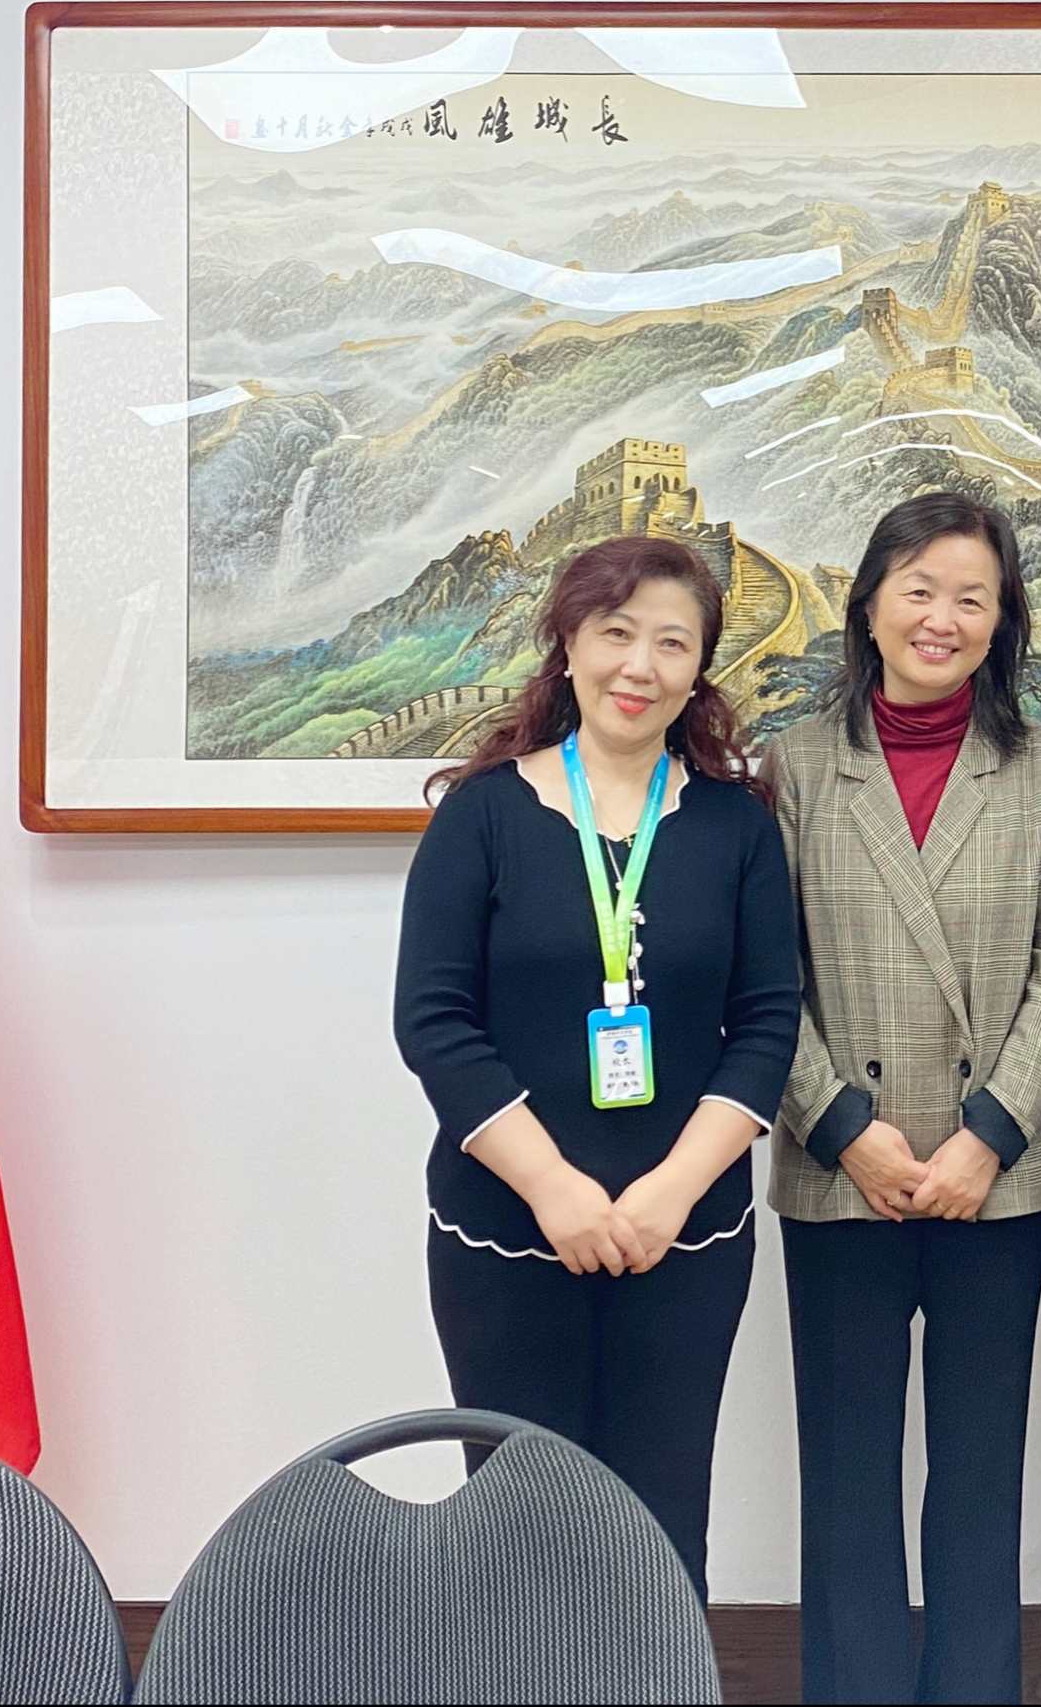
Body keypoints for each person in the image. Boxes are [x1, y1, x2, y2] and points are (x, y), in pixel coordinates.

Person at [393, 535, 801, 1600]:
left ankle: (658, 1675)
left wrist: (671, 1193)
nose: (639, 666)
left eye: (672, 643)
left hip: (686, 1237)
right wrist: (556, 1191)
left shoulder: (736, 826)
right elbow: (433, 1022)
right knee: (515, 1536)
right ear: (567, 643)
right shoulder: (482, 814)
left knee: (660, 1532)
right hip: (505, 1232)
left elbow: (768, 1023)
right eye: (616, 633)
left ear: (699, 666)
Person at [767, 492, 1041, 1705]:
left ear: (1001, 619)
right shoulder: (797, 765)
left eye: (971, 596)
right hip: (837, 1166)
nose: (941, 618)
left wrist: (987, 1137)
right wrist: (845, 1131)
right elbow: (766, 977)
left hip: (993, 1176)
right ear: (868, 605)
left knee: (977, 1472)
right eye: (919, 590)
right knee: (845, 1476)